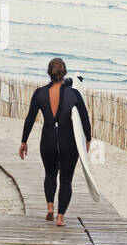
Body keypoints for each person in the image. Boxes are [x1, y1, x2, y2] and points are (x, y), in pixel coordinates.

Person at [18, 57, 93, 226]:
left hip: (48, 140)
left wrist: (24, 141)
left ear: (49, 73)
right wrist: (87, 140)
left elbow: (30, 118)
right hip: (69, 142)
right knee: (66, 180)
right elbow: (84, 119)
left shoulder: (39, 93)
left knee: (50, 174)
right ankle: (60, 218)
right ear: (64, 73)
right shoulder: (73, 94)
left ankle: (50, 207)